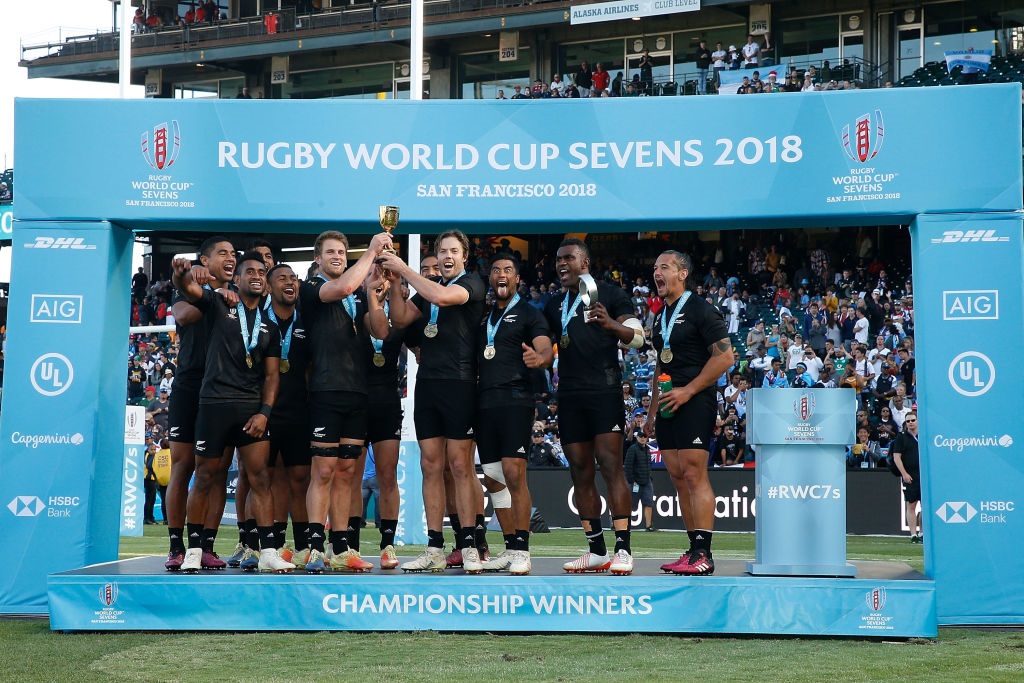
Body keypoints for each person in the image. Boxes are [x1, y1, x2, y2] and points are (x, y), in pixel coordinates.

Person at [171, 252, 293, 574]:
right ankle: (194, 549)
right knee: (206, 477)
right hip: (212, 406)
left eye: (261, 272)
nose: (256, 275)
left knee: (260, 478)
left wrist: (265, 412)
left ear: (265, 284)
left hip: (250, 411)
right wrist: (181, 274)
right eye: (249, 271)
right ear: (235, 280)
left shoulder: (270, 327)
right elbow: (190, 290)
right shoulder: (218, 306)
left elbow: (271, 376)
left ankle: (267, 551)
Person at [379, 230, 489, 573]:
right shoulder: (427, 291)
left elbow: (443, 298)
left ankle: (470, 544)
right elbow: (399, 319)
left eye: (453, 251)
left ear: (464, 257)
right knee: (430, 465)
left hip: (460, 383)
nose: (447, 256)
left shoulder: (471, 283)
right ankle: (435, 546)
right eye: (442, 251)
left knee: (460, 465)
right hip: (427, 384)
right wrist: (397, 282)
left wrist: (406, 269)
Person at [543, 238, 644, 575]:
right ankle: (597, 550)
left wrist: (610, 324)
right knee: (580, 471)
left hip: (604, 390)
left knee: (611, 465)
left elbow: (639, 337)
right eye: (558, 259)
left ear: (584, 262)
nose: (561, 264)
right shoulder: (554, 303)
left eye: (568, 258)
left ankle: (624, 549)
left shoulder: (611, 294)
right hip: (569, 396)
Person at [294, 230, 392, 574]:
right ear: (318, 259)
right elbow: (342, 288)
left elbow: (380, 331)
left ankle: (340, 548)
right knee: (323, 470)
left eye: (342, 252)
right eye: (331, 252)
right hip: (325, 390)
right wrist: (372, 254)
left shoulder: (358, 294)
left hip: (357, 391)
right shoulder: (311, 289)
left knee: (348, 472)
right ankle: (314, 547)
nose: (338, 256)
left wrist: (376, 297)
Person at [646, 249, 732, 576]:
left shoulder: (701, 309)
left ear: (682, 273)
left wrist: (689, 391)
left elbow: (725, 359)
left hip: (695, 400)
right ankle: (693, 548)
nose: (658, 272)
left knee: (695, 475)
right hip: (668, 403)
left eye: (664, 267)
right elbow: (660, 365)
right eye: (655, 267)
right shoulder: (661, 315)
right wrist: (653, 411)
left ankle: (704, 554)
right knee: (679, 478)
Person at [474, 255, 553, 575]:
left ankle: (522, 548)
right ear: (490, 279)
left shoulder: (530, 314)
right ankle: (509, 547)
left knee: (514, 473)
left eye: (507, 270)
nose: (501, 275)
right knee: (493, 479)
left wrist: (542, 358)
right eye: (496, 271)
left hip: (516, 401)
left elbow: (545, 348)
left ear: (517, 279)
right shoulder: (483, 318)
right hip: (484, 405)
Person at [164, 237, 236, 571]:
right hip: (191, 385)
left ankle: (206, 545)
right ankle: (176, 546)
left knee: (218, 470)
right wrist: (212, 297)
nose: (230, 258)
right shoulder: (191, 288)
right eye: (222, 253)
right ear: (204, 261)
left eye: (233, 254)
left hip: (224, 391)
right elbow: (183, 315)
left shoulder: (240, 295)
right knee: (183, 467)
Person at [260, 263, 312, 562]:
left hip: (298, 412)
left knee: (300, 478)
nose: (290, 283)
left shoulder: (306, 323)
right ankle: (273, 544)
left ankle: (304, 544)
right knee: (266, 479)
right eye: (282, 278)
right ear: (269, 287)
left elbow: (309, 369)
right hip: (264, 413)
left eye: (294, 278)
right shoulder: (259, 322)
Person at [891, 411, 922, 543]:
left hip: (925, 475)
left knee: (925, 506)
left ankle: (922, 533)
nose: (910, 423)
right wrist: (904, 474)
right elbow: (896, 457)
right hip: (910, 475)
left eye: (913, 420)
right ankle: (913, 534)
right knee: (911, 505)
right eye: (908, 421)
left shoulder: (925, 435)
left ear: (917, 420)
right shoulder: (901, 437)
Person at [624, 431, 655, 531]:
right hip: (635, 482)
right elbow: (628, 466)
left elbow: (649, 465)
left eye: (644, 436)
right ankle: (625, 524)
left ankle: (649, 526)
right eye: (641, 436)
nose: (642, 438)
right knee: (630, 504)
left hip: (646, 482)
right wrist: (632, 481)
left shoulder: (648, 449)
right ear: (637, 437)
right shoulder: (632, 449)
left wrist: (650, 477)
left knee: (649, 503)